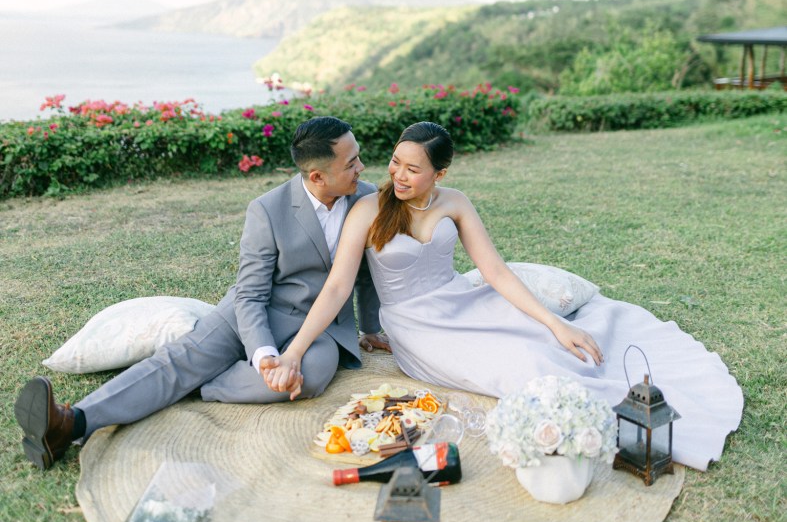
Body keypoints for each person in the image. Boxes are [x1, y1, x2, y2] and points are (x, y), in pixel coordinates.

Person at [262, 121, 743, 472]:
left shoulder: (455, 202)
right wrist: (295, 351)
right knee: (526, 370)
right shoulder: (368, 209)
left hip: (462, 299)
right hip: (418, 328)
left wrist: (556, 322)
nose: (399, 175)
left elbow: (494, 271)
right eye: (395, 163)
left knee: (554, 344)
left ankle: (645, 406)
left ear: (439, 174)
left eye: (413, 169)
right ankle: (614, 425)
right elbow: (338, 287)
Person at [15, 116, 388, 470]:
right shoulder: (268, 210)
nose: (361, 168)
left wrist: (370, 327)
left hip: (320, 328)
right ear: (318, 176)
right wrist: (263, 354)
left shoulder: (366, 199)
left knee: (311, 375)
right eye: (351, 163)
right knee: (179, 361)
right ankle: (70, 423)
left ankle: (195, 384)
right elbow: (251, 293)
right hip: (253, 313)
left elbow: (368, 273)